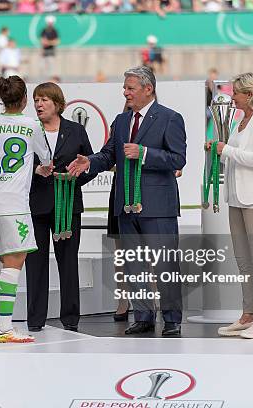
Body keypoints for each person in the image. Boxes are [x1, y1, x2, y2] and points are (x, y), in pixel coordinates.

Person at [68, 65, 186, 337]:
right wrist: (89, 162)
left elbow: (178, 159)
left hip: (158, 206)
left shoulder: (170, 118)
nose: (126, 92)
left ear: (148, 89)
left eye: (130, 88)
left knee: (164, 263)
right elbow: (109, 155)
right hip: (125, 204)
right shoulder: (122, 121)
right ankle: (143, 316)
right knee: (133, 263)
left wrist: (144, 153)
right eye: (125, 88)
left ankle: (172, 319)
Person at [0, 76, 52, 343]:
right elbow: (47, 159)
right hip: (14, 202)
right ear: (25, 100)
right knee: (16, 261)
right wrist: (40, 169)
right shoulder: (32, 125)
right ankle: (5, 326)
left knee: (5, 258)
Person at [25, 82, 95, 333]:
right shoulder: (29, 130)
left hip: (68, 205)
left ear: (57, 103)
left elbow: (89, 163)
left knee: (68, 262)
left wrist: (75, 178)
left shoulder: (76, 131)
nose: (39, 104)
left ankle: (70, 319)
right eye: (35, 100)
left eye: (44, 100)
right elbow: (21, 167)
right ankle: (35, 320)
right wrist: (36, 171)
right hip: (37, 205)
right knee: (35, 263)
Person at [212, 73, 253, 339]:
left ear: (249, 95)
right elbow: (235, 157)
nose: (232, 96)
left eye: (236, 92)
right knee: (243, 260)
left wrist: (225, 150)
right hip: (236, 198)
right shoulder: (241, 121)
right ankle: (248, 314)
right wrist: (217, 150)